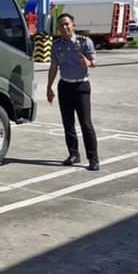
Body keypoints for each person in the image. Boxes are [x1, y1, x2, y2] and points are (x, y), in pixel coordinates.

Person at [45, 12, 99, 171]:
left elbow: (94, 62)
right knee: (68, 123)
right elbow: (54, 67)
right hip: (65, 86)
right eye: (61, 25)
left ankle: (93, 158)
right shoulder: (57, 45)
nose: (64, 27)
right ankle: (74, 154)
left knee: (86, 124)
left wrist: (89, 63)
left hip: (81, 86)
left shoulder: (84, 42)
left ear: (73, 25)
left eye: (67, 24)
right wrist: (49, 87)